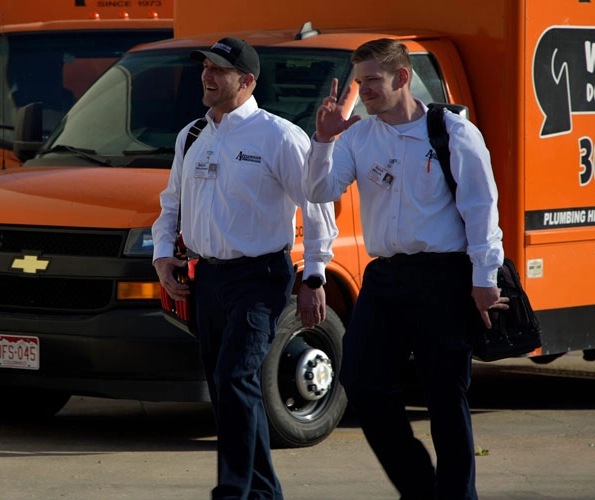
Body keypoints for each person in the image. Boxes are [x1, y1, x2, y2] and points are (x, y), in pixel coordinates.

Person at [302, 38, 509, 500]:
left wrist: (484, 279)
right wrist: (323, 139)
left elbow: (482, 209)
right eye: (360, 81)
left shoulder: (452, 132)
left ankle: (457, 496)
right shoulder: (358, 136)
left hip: (444, 277)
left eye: (372, 80)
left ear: (401, 78)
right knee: (361, 381)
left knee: (443, 396)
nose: (364, 91)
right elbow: (318, 191)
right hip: (385, 278)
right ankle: (420, 487)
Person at [152, 37, 337, 500]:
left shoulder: (279, 136)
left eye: (218, 69)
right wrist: (161, 254)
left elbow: (317, 208)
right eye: (205, 68)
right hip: (207, 278)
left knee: (235, 376)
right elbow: (170, 202)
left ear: (247, 81)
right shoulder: (192, 134)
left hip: (260, 278)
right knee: (228, 385)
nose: (207, 76)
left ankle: (232, 492)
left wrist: (313, 276)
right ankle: (263, 492)